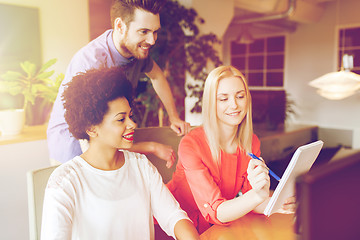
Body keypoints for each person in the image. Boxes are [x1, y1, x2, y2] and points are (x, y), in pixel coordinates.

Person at [41, 67, 200, 240]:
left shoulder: (140, 165)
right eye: (121, 119)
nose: (132, 124)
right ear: (91, 128)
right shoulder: (66, 181)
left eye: (130, 116)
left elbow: (173, 217)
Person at [47, 0, 190, 164]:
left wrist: (174, 117)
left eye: (155, 32)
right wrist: (152, 147)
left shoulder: (135, 51)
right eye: (143, 31)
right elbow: (98, 138)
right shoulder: (92, 62)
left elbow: (157, 75)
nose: (152, 40)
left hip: (107, 139)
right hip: (74, 145)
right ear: (120, 26)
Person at [167, 66, 295, 233]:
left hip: (216, 230)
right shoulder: (191, 144)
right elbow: (217, 212)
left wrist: (279, 204)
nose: (234, 105)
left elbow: (252, 199)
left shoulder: (251, 143)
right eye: (223, 99)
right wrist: (257, 196)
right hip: (175, 228)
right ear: (211, 103)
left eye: (240, 96)